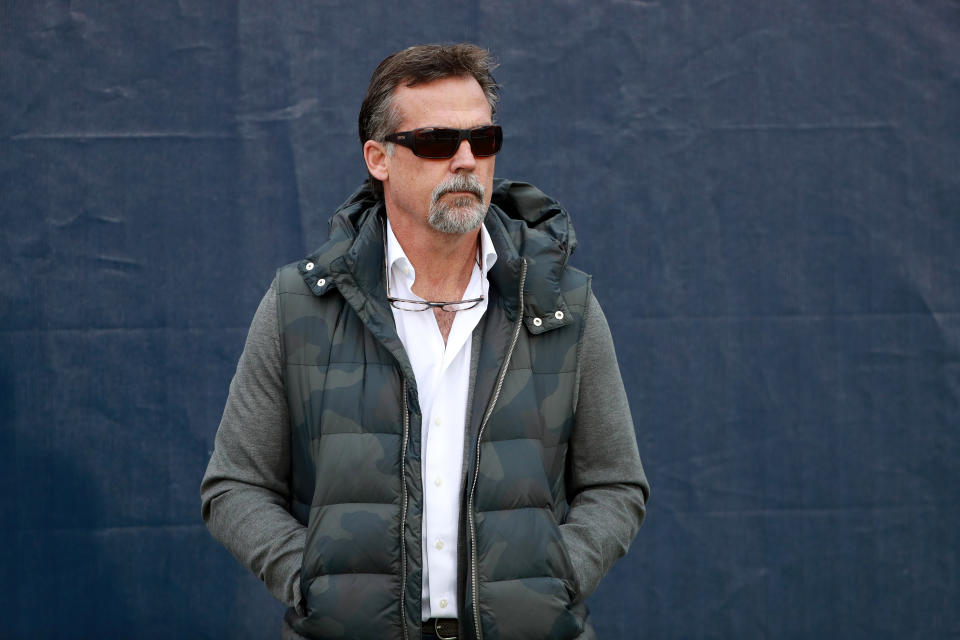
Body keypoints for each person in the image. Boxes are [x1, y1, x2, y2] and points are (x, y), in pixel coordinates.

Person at [201, 43, 649, 640]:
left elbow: (615, 483)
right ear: (378, 158)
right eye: (438, 143)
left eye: (482, 141)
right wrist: (314, 581)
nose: (465, 161)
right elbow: (235, 485)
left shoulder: (559, 302)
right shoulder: (300, 305)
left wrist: (555, 578)